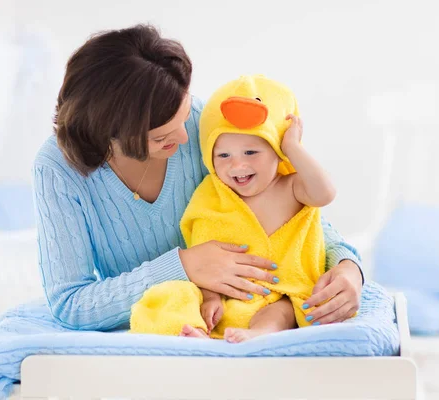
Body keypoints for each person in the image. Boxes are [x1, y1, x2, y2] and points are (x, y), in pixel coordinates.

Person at [33, 24, 363, 334]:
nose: (186, 137)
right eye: (162, 137)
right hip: (165, 326)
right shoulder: (57, 170)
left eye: (185, 113)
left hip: (246, 311)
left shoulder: (204, 124)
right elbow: (70, 304)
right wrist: (184, 266)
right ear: (110, 134)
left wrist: (348, 266)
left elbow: (292, 211)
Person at [130, 75, 340, 343]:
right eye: (224, 156)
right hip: (226, 297)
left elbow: (325, 193)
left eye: (251, 153)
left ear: (278, 151)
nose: (237, 166)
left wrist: (293, 147)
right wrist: (210, 298)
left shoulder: (291, 187)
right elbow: (204, 254)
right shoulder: (213, 196)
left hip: (276, 293)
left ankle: (260, 334)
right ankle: (193, 332)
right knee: (174, 294)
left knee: (282, 310)